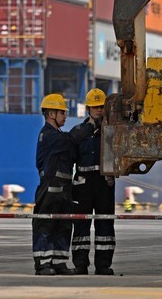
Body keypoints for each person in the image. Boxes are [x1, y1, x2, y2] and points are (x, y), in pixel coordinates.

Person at [33, 93, 98, 276]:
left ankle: (59, 262)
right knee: (46, 225)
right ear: (51, 114)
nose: (65, 116)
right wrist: (90, 125)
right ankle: (43, 264)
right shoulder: (48, 135)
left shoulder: (58, 136)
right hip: (50, 187)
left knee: (63, 226)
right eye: (62, 113)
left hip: (64, 188)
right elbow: (71, 140)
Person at [71, 88, 116, 275]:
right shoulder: (78, 132)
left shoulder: (111, 131)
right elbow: (69, 159)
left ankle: (103, 265)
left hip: (104, 182)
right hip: (82, 183)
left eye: (101, 107)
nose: (98, 110)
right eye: (95, 107)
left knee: (105, 223)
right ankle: (80, 265)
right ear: (88, 108)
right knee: (81, 224)